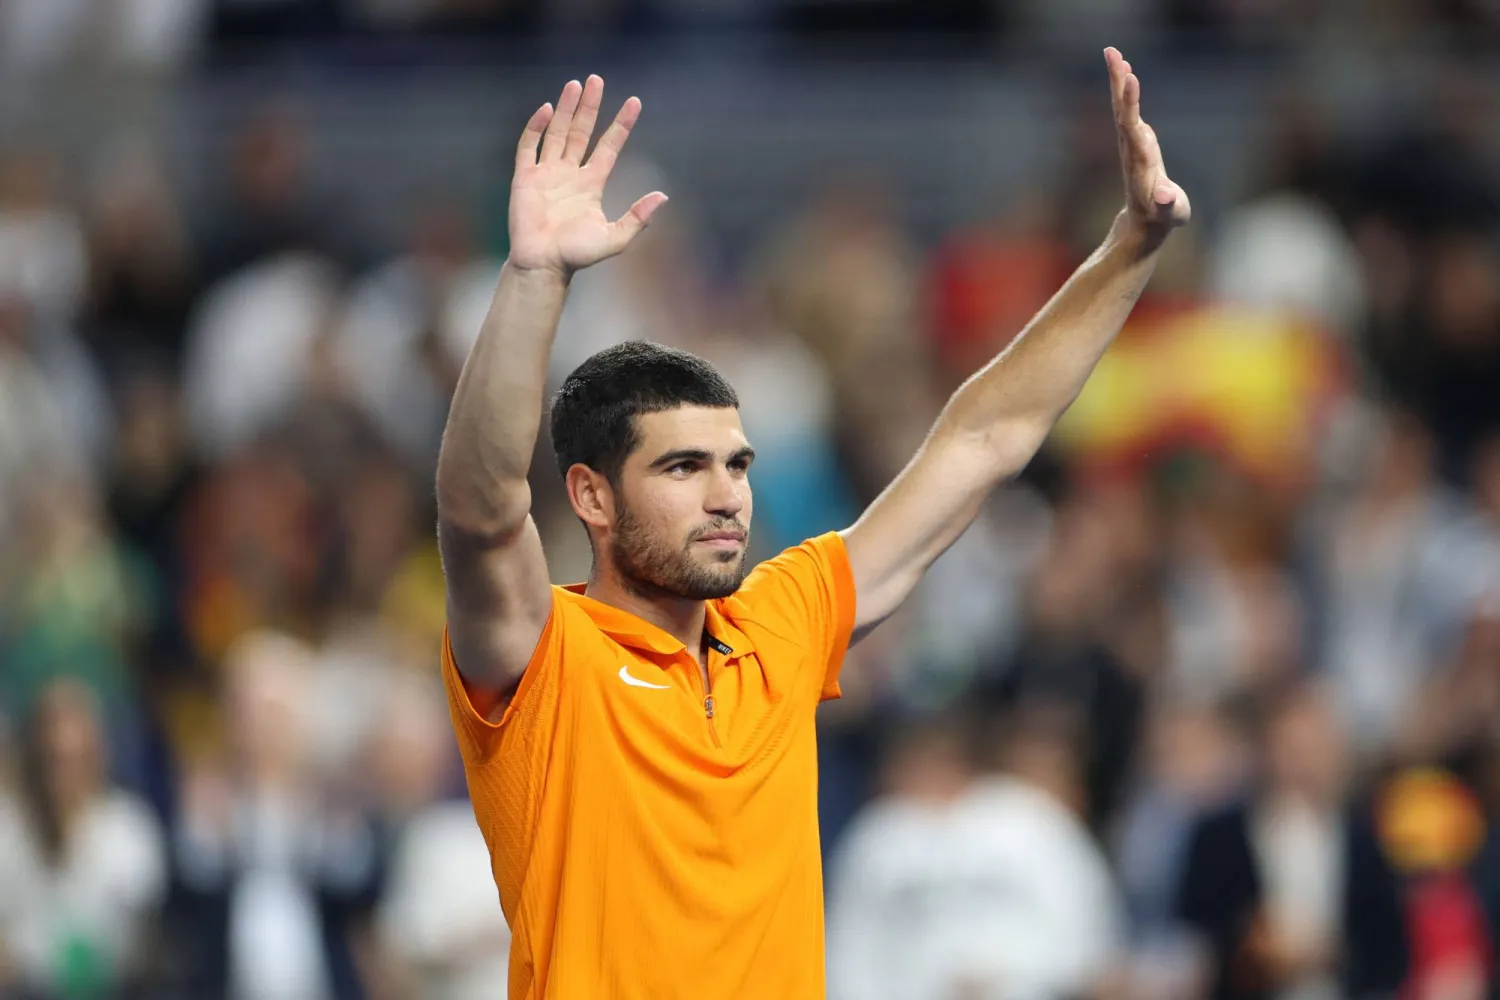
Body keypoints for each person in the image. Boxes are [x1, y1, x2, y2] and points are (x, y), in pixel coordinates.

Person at [435, 48, 1189, 1000]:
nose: (727, 496)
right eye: (682, 467)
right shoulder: (546, 659)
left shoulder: (779, 625)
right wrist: (535, 276)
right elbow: (480, 508)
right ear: (590, 496)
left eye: (737, 465)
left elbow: (983, 438)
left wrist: (1129, 250)